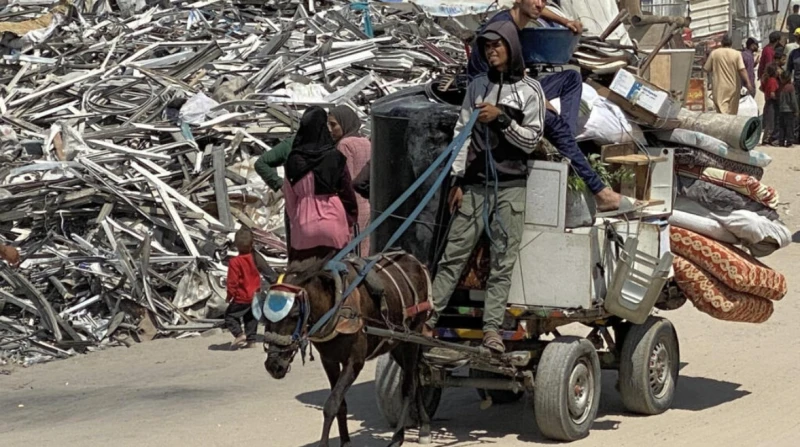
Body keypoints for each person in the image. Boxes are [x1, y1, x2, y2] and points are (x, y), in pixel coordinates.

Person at [423, 22, 545, 353]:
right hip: (475, 186)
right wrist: (457, 180)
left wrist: (502, 119)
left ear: (511, 48)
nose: (491, 51)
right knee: (453, 255)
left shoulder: (531, 91)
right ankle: (428, 321)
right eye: (486, 46)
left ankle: (491, 330)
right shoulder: (476, 87)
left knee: (502, 260)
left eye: (497, 45)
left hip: (511, 187)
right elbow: (462, 134)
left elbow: (532, 140)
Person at [466, 0, 632, 215]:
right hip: (491, 95)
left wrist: (566, 21)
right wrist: (538, 100)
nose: (539, 4)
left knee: (571, 77)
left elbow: (537, 12)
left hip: (511, 86)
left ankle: (568, 138)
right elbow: (502, 83)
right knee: (551, 121)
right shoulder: (504, 30)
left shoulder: (517, 19)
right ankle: (601, 193)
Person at [283, 106, 358, 261]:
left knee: (304, 278)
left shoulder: (293, 160)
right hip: (334, 223)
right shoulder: (335, 157)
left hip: (304, 226)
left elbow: (290, 202)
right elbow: (347, 193)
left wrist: (298, 221)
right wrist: (350, 220)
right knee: (337, 274)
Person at [328, 105, 372, 256]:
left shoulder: (344, 144)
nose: (330, 129)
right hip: (368, 203)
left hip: (351, 206)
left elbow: (345, 180)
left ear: (344, 123)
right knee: (365, 248)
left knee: (352, 252)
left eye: (333, 125)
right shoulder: (366, 141)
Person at [225, 228, 261, 350]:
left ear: (235, 245)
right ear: (252, 244)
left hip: (241, 296)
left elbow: (232, 282)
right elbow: (267, 272)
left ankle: (239, 335)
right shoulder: (255, 259)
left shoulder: (235, 262)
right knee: (251, 318)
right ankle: (251, 341)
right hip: (255, 296)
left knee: (230, 316)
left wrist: (229, 296)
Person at [704, 34, 754, 115]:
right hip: (733, 87)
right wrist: (748, 83)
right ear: (731, 43)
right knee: (732, 111)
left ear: (722, 43)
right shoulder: (737, 54)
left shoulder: (714, 53)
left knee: (721, 111)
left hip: (719, 87)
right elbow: (742, 69)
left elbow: (706, 69)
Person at [777, 71, 798, 147]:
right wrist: (796, 110)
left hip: (781, 109)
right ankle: (789, 142)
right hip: (789, 110)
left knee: (782, 126)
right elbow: (793, 100)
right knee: (790, 126)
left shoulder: (781, 87)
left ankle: (781, 141)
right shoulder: (790, 87)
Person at [762, 64, 780, 145]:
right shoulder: (773, 81)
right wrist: (777, 99)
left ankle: (767, 139)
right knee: (771, 123)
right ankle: (766, 139)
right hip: (771, 103)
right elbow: (772, 93)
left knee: (769, 121)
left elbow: (762, 88)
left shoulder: (767, 80)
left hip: (767, 102)